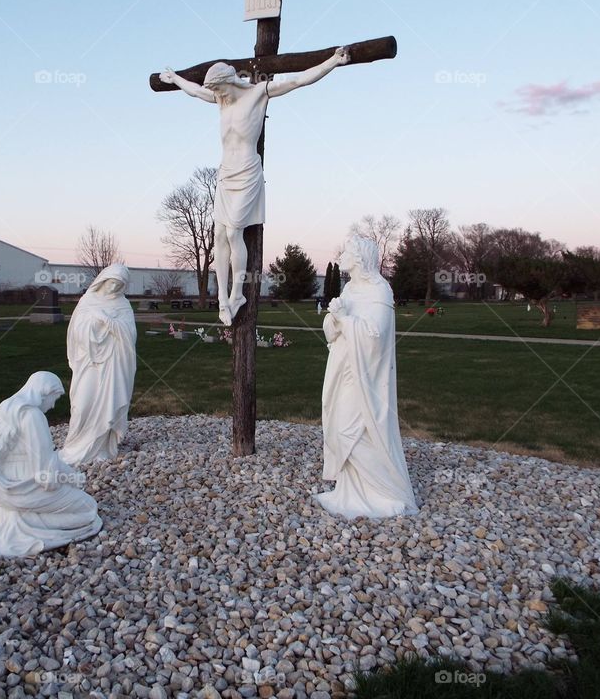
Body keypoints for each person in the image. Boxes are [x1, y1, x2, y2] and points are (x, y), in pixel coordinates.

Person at [160, 48, 350, 325]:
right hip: (225, 173)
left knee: (235, 230)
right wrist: (175, 78)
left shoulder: (258, 93)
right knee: (220, 234)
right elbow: (195, 92)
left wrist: (333, 61)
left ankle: (238, 293)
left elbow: (298, 80)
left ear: (230, 81)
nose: (218, 95)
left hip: (248, 171)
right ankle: (222, 299)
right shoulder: (220, 100)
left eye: (221, 89)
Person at [316, 236, 418, 519]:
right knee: (338, 425)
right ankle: (352, 490)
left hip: (365, 375)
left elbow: (376, 336)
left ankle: (388, 491)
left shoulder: (380, 290)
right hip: (342, 367)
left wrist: (345, 319)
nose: (343, 253)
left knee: (351, 431)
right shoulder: (349, 288)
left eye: (348, 250)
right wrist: (334, 318)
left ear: (360, 258)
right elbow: (332, 330)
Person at [0, 372, 102, 557]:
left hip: (2, 488)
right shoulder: (32, 416)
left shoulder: (7, 407)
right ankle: (31, 525)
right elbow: (45, 472)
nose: (53, 405)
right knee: (88, 507)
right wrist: (72, 477)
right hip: (26, 488)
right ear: (44, 393)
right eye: (54, 398)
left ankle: (19, 517)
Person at [62, 264, 137, 465]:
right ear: (104, 280)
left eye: (119, 285)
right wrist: (93, 325)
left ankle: (102, 446)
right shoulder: (88, 300)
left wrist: (108, 322)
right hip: (90, 361)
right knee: (81, 404)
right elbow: (76, 331)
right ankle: (75, 444)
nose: (114, 288)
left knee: (109, 404)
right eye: (112, 282)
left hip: (113, 363)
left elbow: (130, 335)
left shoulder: (123, 305)